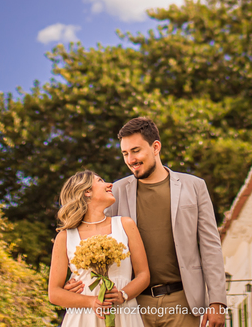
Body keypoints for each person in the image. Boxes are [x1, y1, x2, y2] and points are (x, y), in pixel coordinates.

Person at [70, 117, 227, 327]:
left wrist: (217, 301)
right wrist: (77, 277)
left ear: (155, 147)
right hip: (132, 304)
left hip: (183, 300)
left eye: (136, 150)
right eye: (125, 153)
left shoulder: (195, 187)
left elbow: (210, 247)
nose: (130, 159)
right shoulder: (115, 191)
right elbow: (93, 234)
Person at [49, 170, 151, 327]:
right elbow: (54, 294)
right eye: (101, 180)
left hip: (123, 313)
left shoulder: (125, 225)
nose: (110, 184)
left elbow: (143, 274)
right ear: (87, 191)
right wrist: (91, 301)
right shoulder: (65, 237)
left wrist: (123, 295)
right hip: (83, 318)